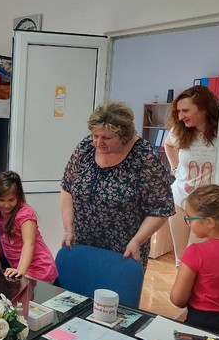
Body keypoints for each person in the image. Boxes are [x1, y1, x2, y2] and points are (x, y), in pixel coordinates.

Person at [61, 102, 174, 269]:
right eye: (95, 135)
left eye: (107, 138)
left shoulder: (144, 156)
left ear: (124, 135)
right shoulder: (86, 148)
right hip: (83, 244)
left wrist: (137, 241)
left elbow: (161, 209)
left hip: (125, 249)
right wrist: (69, 230)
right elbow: (67, 188)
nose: (98, 142)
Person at [170, 184, 219, 340]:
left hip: (200, 329)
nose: (188, 223)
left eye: (189, 218)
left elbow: (178, 299)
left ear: (209, 222)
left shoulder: (196, 252)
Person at [164, 85, 219, 267]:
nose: (180, 116)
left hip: (208, 206)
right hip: (180, 200)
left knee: (196, 258)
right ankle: (180, 287)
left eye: (185, 111)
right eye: (178, 111)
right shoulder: (179, 131)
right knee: (181, 258)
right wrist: (175, 167)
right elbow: (168, 144)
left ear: (204, 108)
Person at [0, 171, 58, 283]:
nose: (6, 205)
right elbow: (1, 235)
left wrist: (20, 270)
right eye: (1, 200)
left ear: (18, 197)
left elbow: (29, 244)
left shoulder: (25, 215)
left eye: (11, 200)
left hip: (40, 270)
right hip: (20, 269)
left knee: (19, 293)